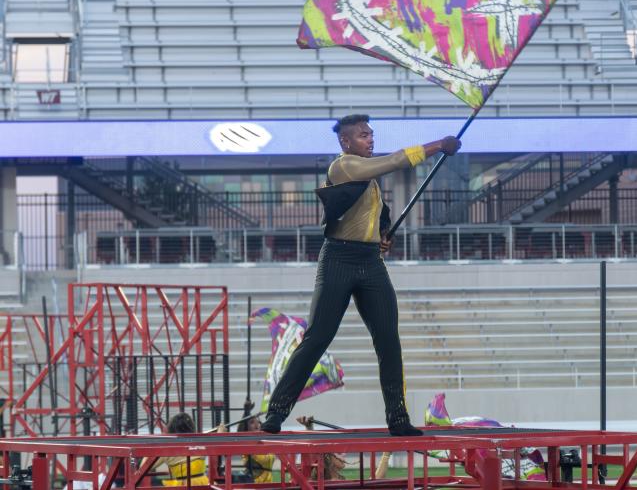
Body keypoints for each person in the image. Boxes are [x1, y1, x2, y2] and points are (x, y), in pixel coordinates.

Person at [262, 115, 461, 436]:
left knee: (388, 341)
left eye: (371, 134)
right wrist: (438, 146)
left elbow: (368, 218)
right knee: (317, 339)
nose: (370, 139)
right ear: (346, 142)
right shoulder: (343, 167)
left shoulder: (368, 180)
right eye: (364, 135)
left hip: (370, 262)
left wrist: (381, 234)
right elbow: (395, 161)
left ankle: (398, 418)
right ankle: (275, 413)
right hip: (338, 258)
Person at [157, 413, 213, 487]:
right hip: (203, 484)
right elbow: (220, 441)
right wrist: (221, 431)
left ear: (171, 429)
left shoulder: (167, 449)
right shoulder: (201, 443)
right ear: (191, 427)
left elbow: (144, 466)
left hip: (182, 485)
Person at [236, 400, 275, 483]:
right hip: (254, 486)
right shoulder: (246, 445)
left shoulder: (265, 442)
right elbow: (240, 431)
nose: (257, 424)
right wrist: (247, 412)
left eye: (258, 422)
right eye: (252, 422)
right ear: (245, 428)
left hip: (270, 486)